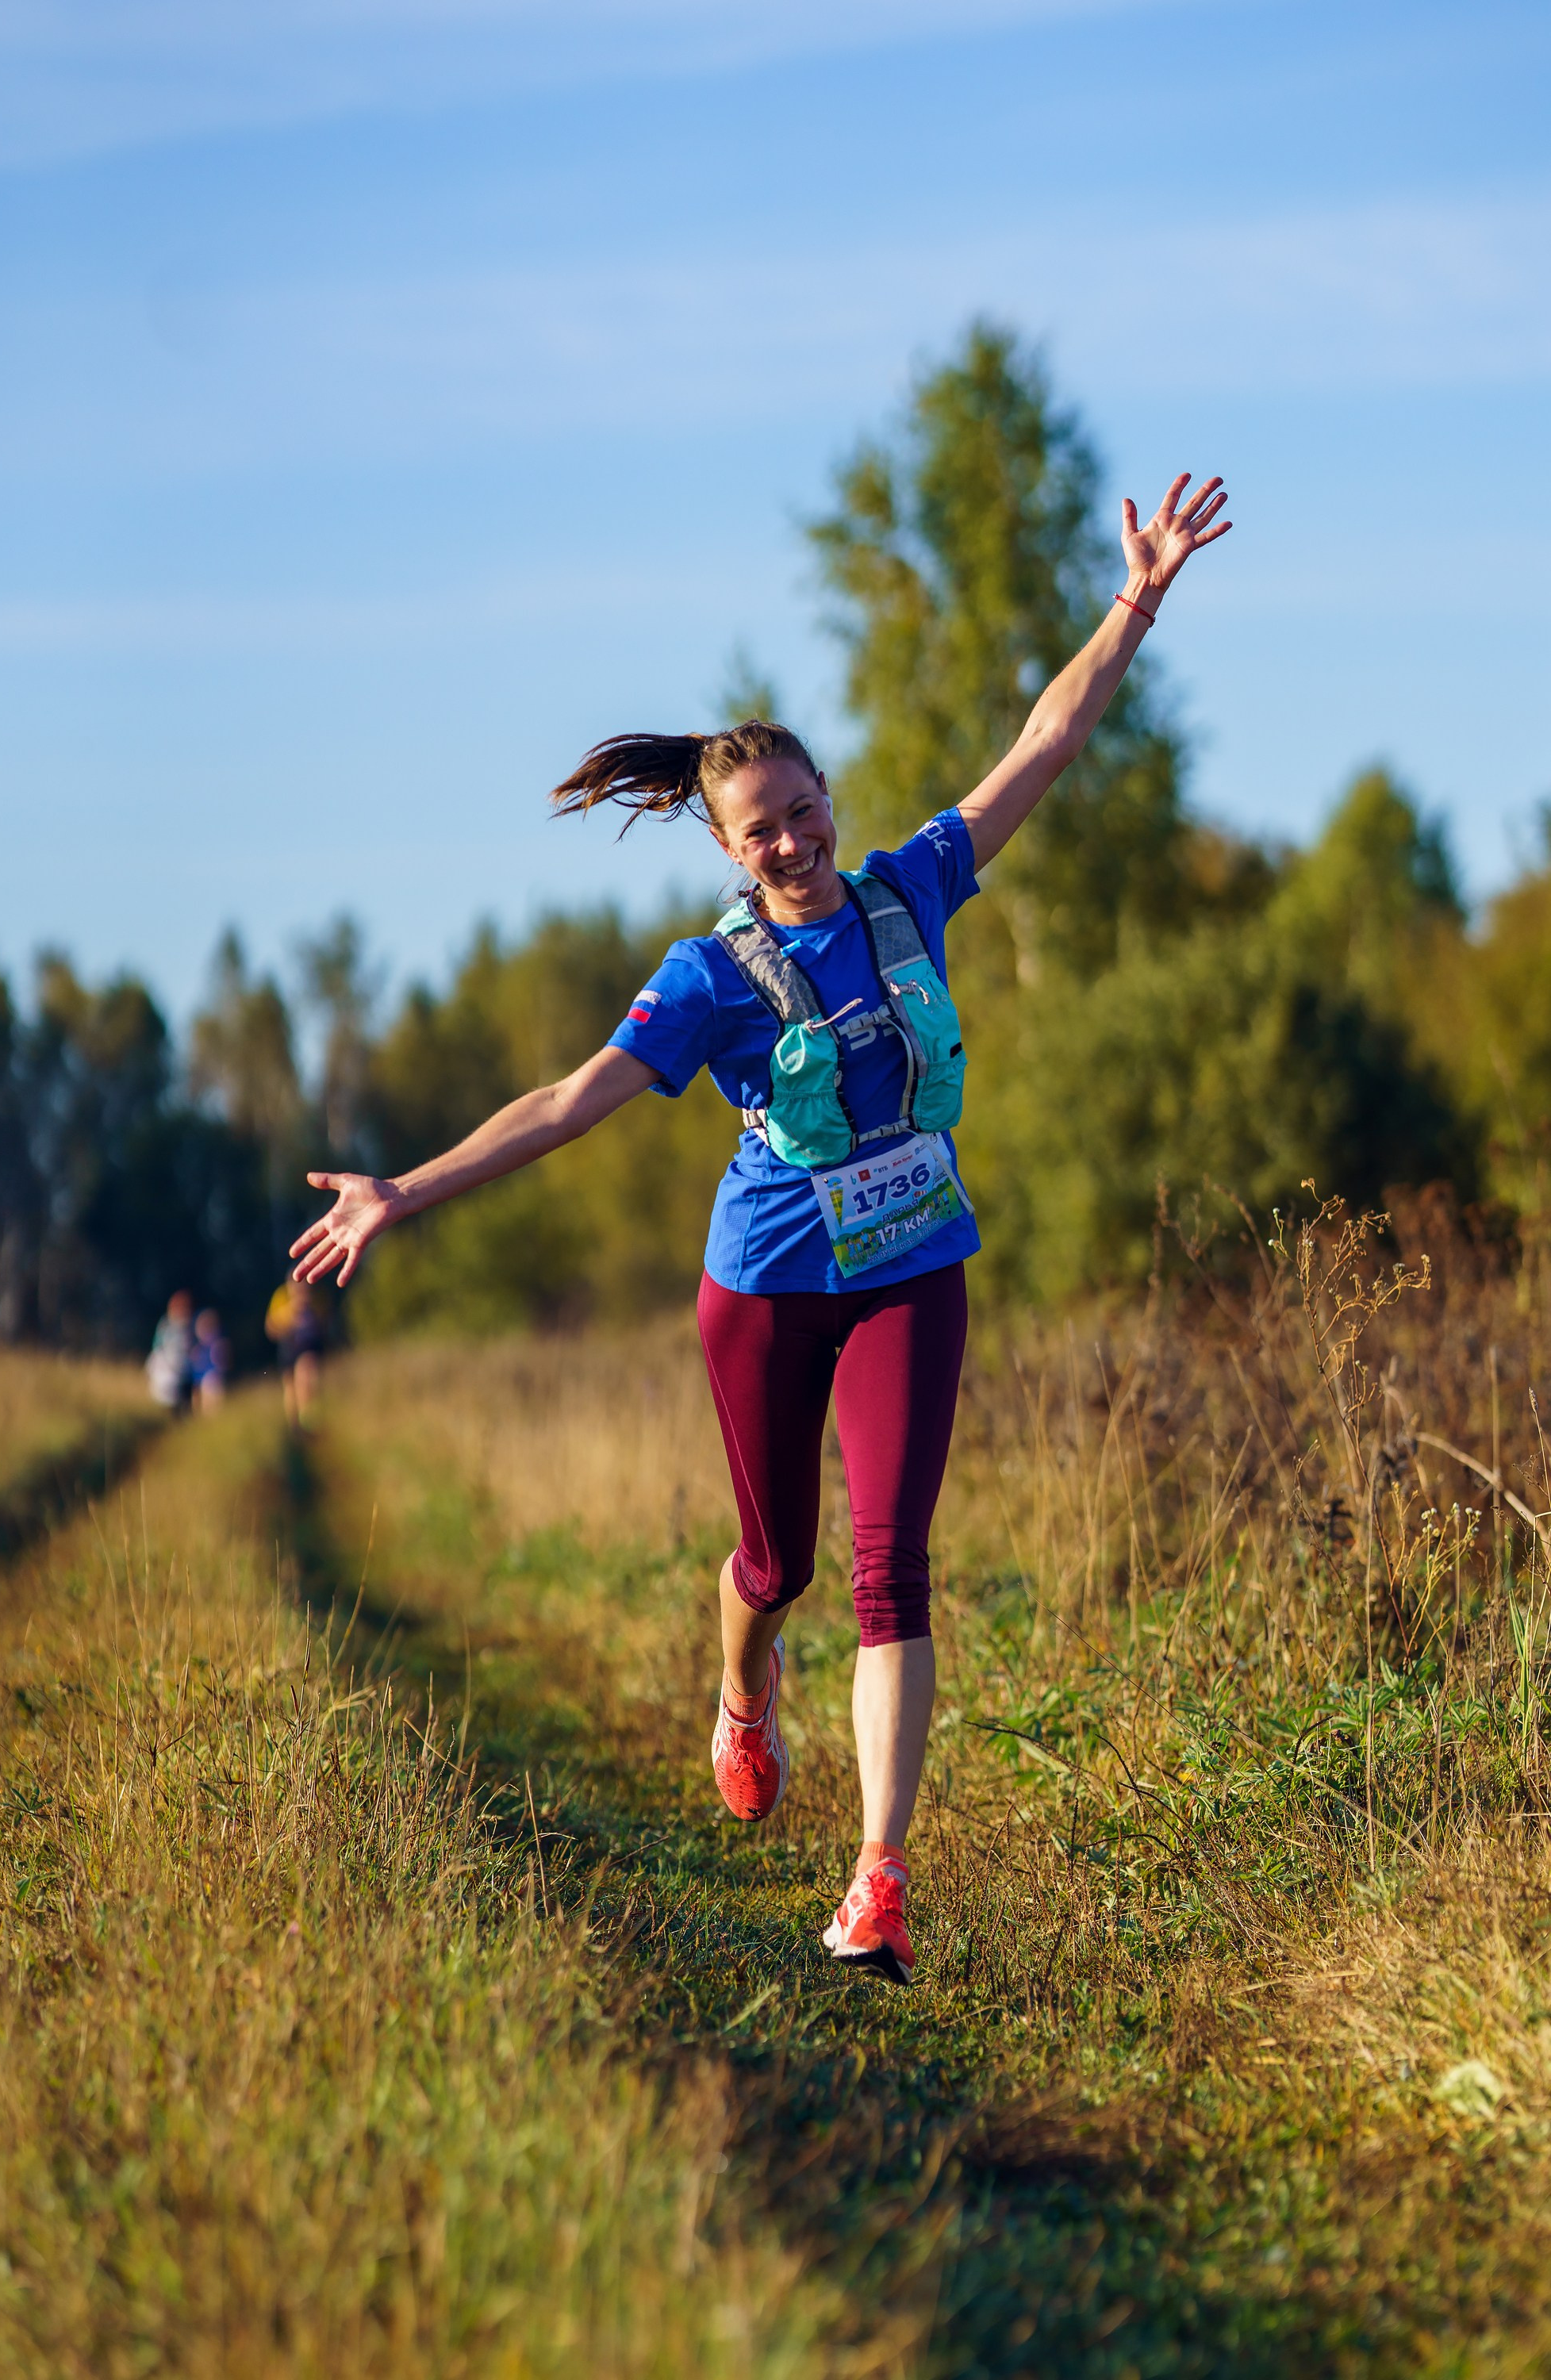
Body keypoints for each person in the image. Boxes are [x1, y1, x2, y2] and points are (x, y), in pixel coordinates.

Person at [290, 473, 1231, 1985]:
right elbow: (567, 1100)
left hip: (914, 1265)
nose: (790, 843)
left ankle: (880, 1877)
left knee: (892, 1566)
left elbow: (1045, 741)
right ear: (728, 851)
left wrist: (1138, 598)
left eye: (804, 815)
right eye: (761, 831)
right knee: (777, 1561)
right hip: (771, 1288)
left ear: (830, 811)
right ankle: (741, 1690)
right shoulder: (706, 980)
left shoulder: (910, 889)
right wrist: (404, 1190)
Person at [265, 1272, 327, 1428]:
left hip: (308, 1347)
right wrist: (289, 1319)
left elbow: (324, 1322)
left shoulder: (317, 1298)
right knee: (290, 1388)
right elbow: (270, 1328)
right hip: (288, 1348)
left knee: (306, 1372)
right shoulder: (281, 1298)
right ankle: (295, 1426)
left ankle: (308, 1416)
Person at [146, 1289, 195, 1414]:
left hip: (187, 1372)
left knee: (186, 1406)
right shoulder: (166, 1325)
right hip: (169, 1373)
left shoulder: (192, 1326)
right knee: (171, 1405)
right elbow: (158, 1347)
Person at [190, 1308, 232, 1414]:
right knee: (200, 1409)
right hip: (199, 1381)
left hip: (213, 1381)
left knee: (212, 1409)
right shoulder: (199, 1347)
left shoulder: (218, 1344)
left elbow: (223, 1364)